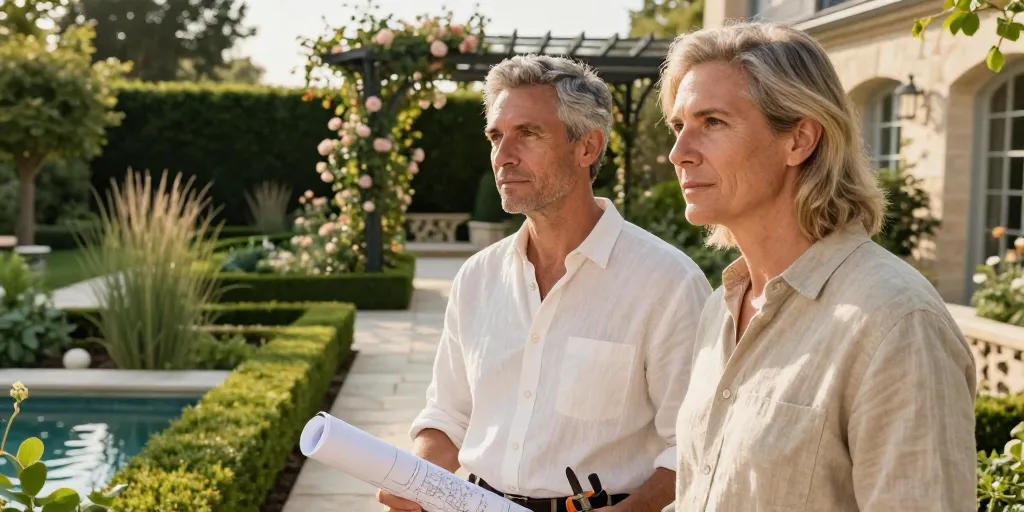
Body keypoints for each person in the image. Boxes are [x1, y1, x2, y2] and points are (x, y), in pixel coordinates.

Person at [659, 21, 978, 511]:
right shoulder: (720, 309)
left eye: (713, 123)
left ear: (799, 139)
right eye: (680, 126)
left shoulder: (896, 324)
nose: (679, 153)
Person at [376, 54, 712, 512]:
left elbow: (693, 446)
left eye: (528, 133)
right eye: (496, 135)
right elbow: (449, 415)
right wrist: (411, 476)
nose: (503, 155)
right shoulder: (477, 277)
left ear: (587, 147)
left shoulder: (668, 283)